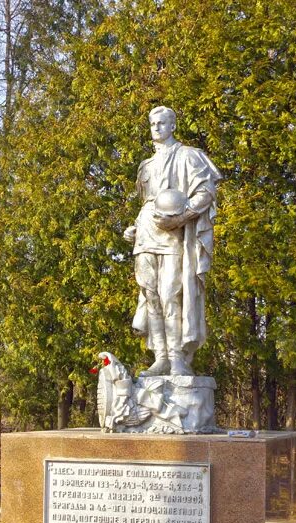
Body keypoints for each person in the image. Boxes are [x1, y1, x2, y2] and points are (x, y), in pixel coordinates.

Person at [122, 106, 221, 377]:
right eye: (152, 124)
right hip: (145, 234)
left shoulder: (190, 156)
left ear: (173, 125)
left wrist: (181, 218)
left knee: (171, 294)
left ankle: (178, 359)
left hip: (174, 235)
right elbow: (147, 205)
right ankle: (161, 358)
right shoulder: (146, 165)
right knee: (150, 294)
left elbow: (205, 193)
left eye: (162, 123)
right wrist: (134, 228)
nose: (156, 128)